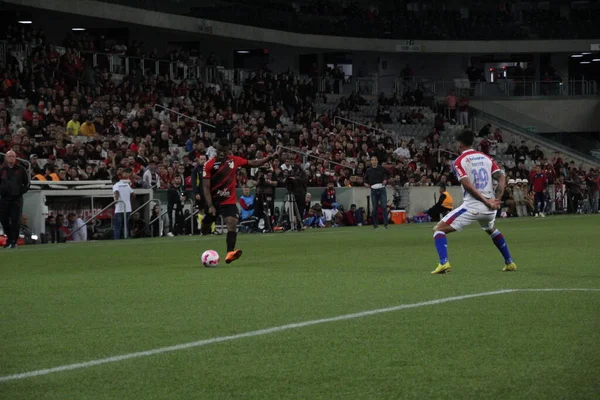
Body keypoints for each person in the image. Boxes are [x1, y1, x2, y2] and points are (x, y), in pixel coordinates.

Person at [431, 130, 517, 274]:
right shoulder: (486, 157)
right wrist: (497, 200)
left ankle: (444, 263)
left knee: (438, 230)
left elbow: (467, 186)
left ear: (459, 143)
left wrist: (486, 201)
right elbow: (501, 177)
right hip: (490, 209)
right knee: (491, 229)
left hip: (474, 206)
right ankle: (509, 262)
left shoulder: (459, 161)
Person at [202, 138, 280, 264]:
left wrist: (269, 158)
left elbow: (253, 163)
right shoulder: (209, 164)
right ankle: (204, 230)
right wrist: (210, 205)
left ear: (228, 150)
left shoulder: (234, 160)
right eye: (220, 150)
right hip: (214, 201)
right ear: (217, 150)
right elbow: (205, 186)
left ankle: (230, 253)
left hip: (228, 201)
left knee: (232, 222)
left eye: (225, 150)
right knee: (206, 226)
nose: (222, 153)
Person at [0, 150, 30, 248]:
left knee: (15, 220)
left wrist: (20, 192)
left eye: (13, 156)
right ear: (6, 158)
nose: (11, 158)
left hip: (16, 199)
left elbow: (27, 183)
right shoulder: (2, 170)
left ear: (16, 158)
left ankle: (14, 241)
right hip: (4, 199)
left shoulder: (21, 169)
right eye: (9, 156)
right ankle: (9, 239)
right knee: (4, 220)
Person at [364, 155, 391, 229]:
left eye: (375, 160)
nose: (374, 161)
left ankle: (385, 224)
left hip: (382, 189)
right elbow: (365, 180)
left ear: (377, 161)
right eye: (372, 160)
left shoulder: (381, 168)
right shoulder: (368, 170)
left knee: (383, 206)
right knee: (375, 207)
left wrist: (386, 180)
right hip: (373, 189)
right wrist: (366, 184)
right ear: (371, 161)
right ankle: (375, 224)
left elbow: (389, 174)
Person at [112, 168, 134, 240]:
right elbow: (133, 194)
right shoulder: (126, 185)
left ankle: (117, 240)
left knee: (117, 227)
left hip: (119, 209)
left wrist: (116, 200)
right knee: (125, 226)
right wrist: (128, 201)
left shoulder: (116, 185)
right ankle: (126, 238)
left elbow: (116, 192)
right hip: (127, 209)